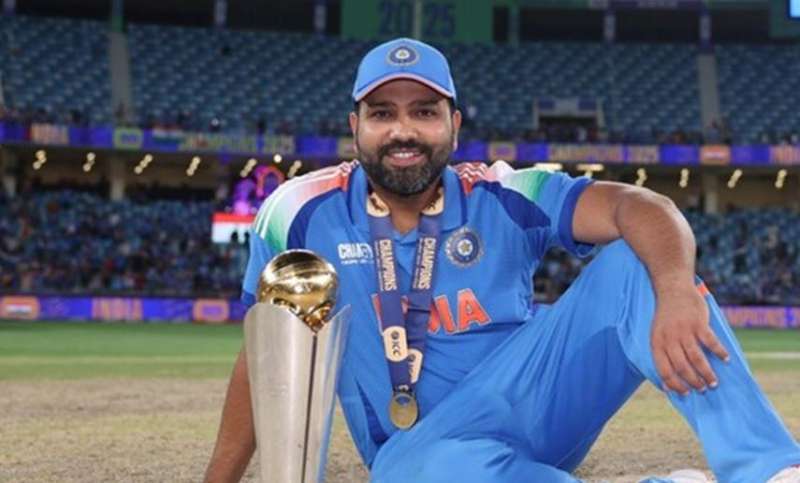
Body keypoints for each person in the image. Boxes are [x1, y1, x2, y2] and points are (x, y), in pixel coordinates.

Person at [204, 38, 800, 483]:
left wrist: (673, 290)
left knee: (638, 262)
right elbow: (265, 356)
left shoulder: (504, 192)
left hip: (533, 402)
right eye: (383, 113)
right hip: (421, 453)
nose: (403, 130)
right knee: (413, 475)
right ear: (355, 126)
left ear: (454, 125)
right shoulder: (298, 212)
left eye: (425, 111)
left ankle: (769, 469)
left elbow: (641, 206)